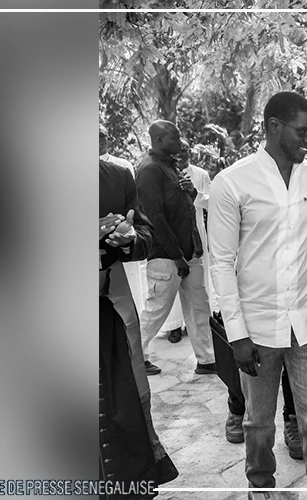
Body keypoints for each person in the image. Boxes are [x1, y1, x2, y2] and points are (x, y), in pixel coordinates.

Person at [208, 92, 307, 498]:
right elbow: (221, 263)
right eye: (302, 132)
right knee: (258, 423)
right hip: (257, 327)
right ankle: (261, 487)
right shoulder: (232, 182)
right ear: (272, 127)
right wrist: (237, 334)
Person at [99, 158, 179, 493]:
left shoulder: (116, 177)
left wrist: (128, 238)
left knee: (119, 407)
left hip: (107, 312)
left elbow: (145, 233)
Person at [135, 121, 215, 375]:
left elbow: (182, 208)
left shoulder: (170, 166)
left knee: (199, 307)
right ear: (158, 140)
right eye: (175, 137)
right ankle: (133, 358)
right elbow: (155, 217)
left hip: (189, 253)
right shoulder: (149, 170)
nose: (180, 142)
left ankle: (207, 359)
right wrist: (177, 256)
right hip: (167, 256)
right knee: (155, 311)